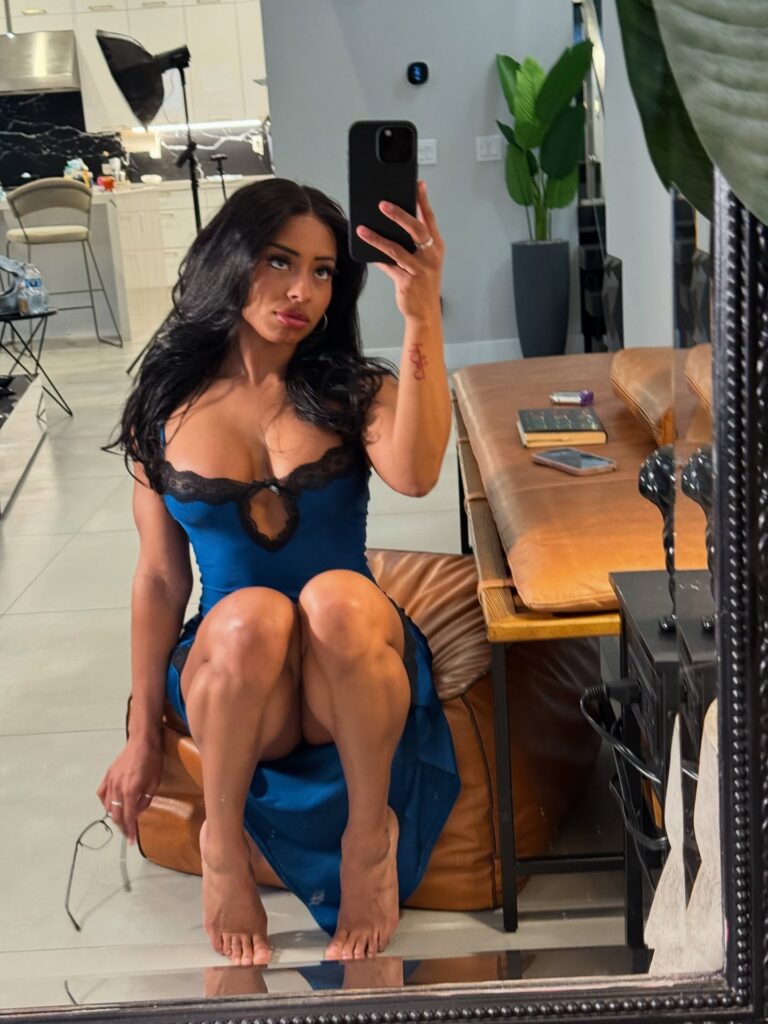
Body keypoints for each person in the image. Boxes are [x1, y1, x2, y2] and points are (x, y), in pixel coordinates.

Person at [98, 177, 460, 966]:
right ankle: (222, 847)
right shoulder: (163, 405)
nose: (303, 291)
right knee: (251, 614)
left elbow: (417, 473)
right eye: (279, 261)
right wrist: (141, 734)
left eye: (324, 271)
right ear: (231, 259)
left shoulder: (354, 389)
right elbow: (159, 579)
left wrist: (421, 311)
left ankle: (369, 839)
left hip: (347, 664)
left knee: (334, 597)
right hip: (240, 677)